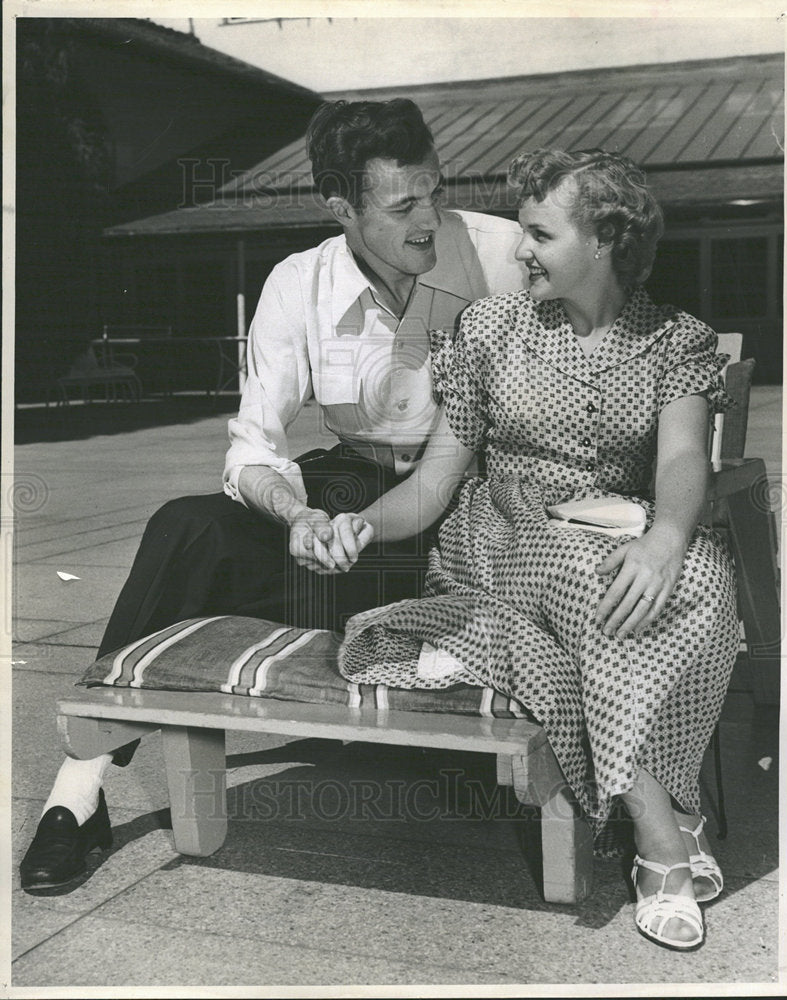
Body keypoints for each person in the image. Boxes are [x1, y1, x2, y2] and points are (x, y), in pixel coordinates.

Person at [19, 98, 527, 892]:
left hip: (464, 503)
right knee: (188, 528)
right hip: (351, 492)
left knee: (465, 757)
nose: (430, 216)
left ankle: (448, 735)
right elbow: (254, 444)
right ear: (341, 209)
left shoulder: (502, 254)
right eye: (402, 205)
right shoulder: (298, 283)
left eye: (435, 189)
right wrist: (300, 517)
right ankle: (78, 794)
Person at [324, 148, 739, 950]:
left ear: (608, 240)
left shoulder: (673, 341)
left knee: (699, 582)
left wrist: (665, 538)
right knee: (594, 584)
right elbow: (436, 480)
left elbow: (685, 460)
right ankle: (662, 836)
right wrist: (367, 523)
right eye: (522, 232)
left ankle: (679, 805)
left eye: (540, 234)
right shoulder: (489, 329)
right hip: (505, 534)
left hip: (618, 525)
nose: (518, 252)